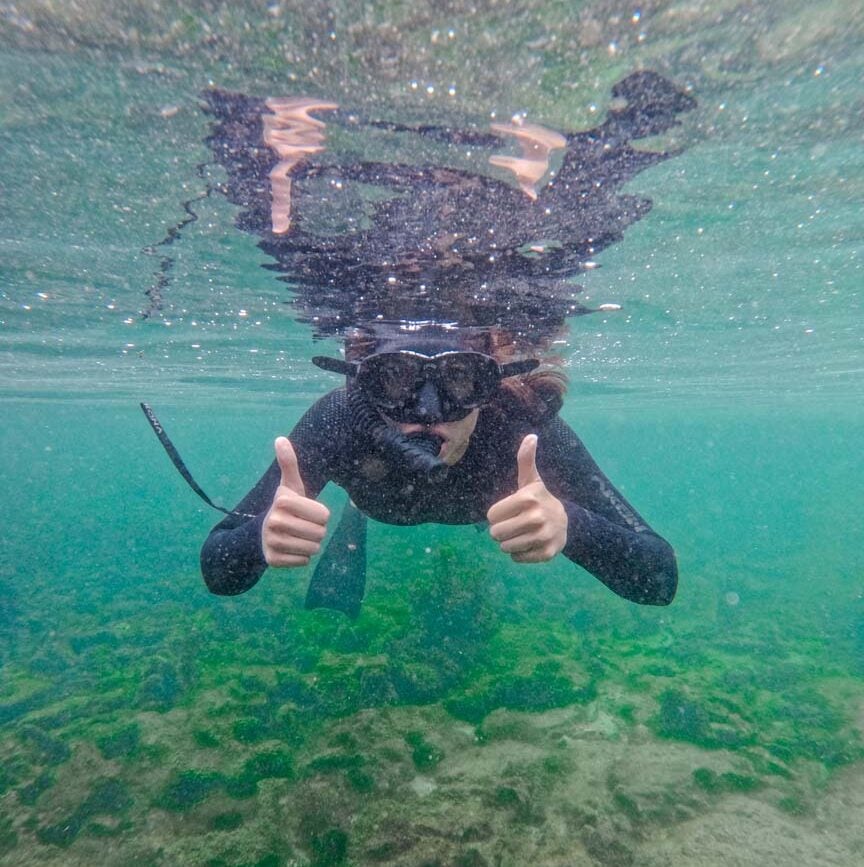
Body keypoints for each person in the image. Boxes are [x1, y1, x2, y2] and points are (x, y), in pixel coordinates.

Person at [200, 322, 677, 617]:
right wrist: (260, 537)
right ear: (366, 385)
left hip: (394, 494)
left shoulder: (521, 428)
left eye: (460, 381)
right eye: (394, 380)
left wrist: (572, 526)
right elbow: (218, 569)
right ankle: (355, 513)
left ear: (488, 387)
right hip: (373, 496)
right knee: (358, 499)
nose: (428, 413)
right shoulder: (339, 422)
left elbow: (659, 579)